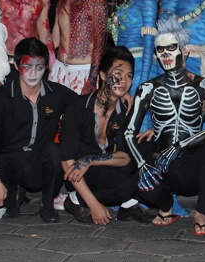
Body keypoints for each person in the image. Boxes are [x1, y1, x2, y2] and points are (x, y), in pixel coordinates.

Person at [124, 16, 205, 236]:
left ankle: (201, 212)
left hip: (193, 165)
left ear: (185, 50)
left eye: (171, 48)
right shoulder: (148, 88)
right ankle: (166, 206)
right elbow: (128, 132)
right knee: (142, 184)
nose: (166, 54)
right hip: (162, 164)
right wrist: (142, 164)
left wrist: (180, 145)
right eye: (160, 50)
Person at [0, 38, 76, 223]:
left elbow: (86, 105)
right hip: (10, 162)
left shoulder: (56, 94)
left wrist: (117, 97)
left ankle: (47, 204)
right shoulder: (2, 96)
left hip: (39, 162)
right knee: (2, 207)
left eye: (39, 67)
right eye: (27, 66)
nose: (33, 73)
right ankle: (13, 194)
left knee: (56, 151)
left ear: (46, 68)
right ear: (16, 66)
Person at [60, 46, 153, 225]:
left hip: (100, 164)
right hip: (78, 174)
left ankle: (126, 205)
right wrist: (94, 205)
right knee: (127, 186)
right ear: (103, 75)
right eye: (118, 74)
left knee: (146, 144)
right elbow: (67, 161)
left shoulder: (125, 110)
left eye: (129, 76)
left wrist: (90, 160)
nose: (124, 81)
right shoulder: (78, 108)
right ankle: (75, 199)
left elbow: (125, 157)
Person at [51, 0, 107, 94]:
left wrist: (92, 80)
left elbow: (99, 43)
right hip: (59, 70)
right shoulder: (61, 2)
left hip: (83, 72)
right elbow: (54, 41)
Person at [112, 0, 161, 97]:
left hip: (140, 66)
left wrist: (144, 82)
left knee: (137, 110)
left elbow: (149, 42)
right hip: (125, 66)